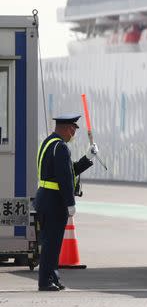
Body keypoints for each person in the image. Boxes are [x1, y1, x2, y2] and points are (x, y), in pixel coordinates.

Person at [34, 114, 97, 292]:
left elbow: (69, 171)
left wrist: (87, 158)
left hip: (46, 198)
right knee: (51, 243)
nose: (73, 134)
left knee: (52, 242)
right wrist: (70, 203)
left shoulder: (49, 143)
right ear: (66, 128)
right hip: (54, 201)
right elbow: (65, 179)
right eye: (72, 130)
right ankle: (45, 281)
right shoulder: (60, 147)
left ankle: (53, 277)